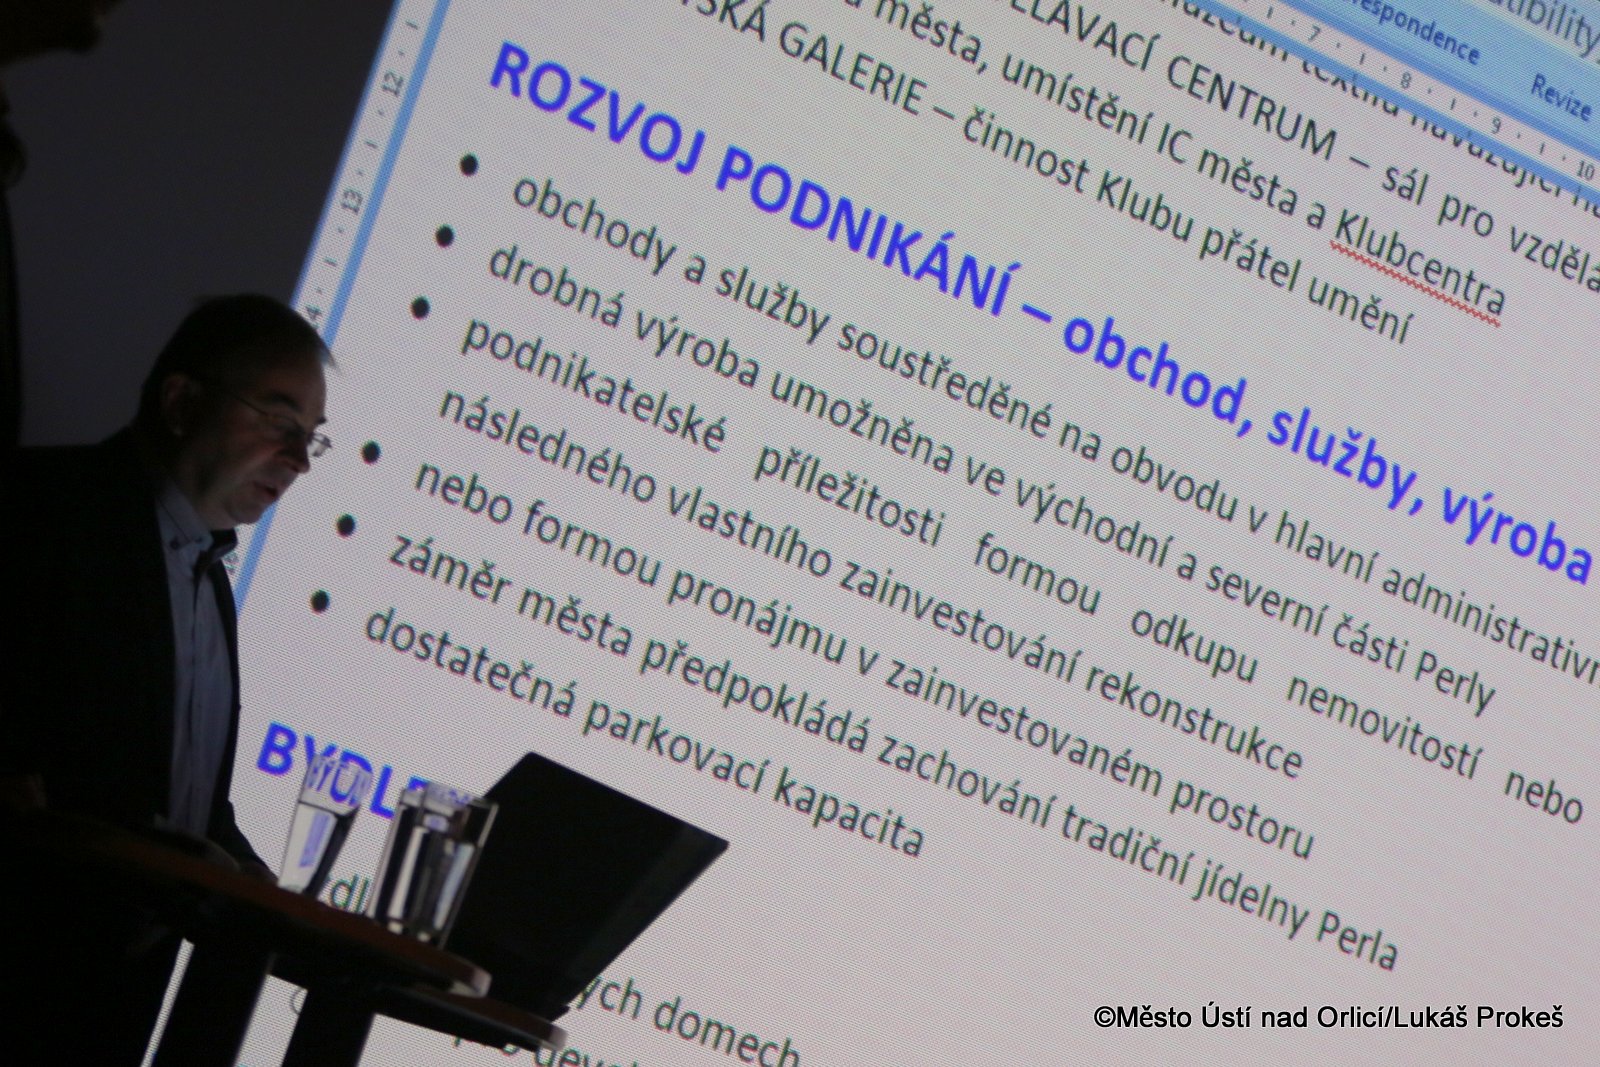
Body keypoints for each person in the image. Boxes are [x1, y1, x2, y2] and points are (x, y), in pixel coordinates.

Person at [1, 292, 330, 1065]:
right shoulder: (41, 507)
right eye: (280, 421)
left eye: (313, 436)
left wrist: (257, 887)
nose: (299, 460)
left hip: (106, 1008)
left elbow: (188, 803)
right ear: (182, 402)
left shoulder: (209, 584)